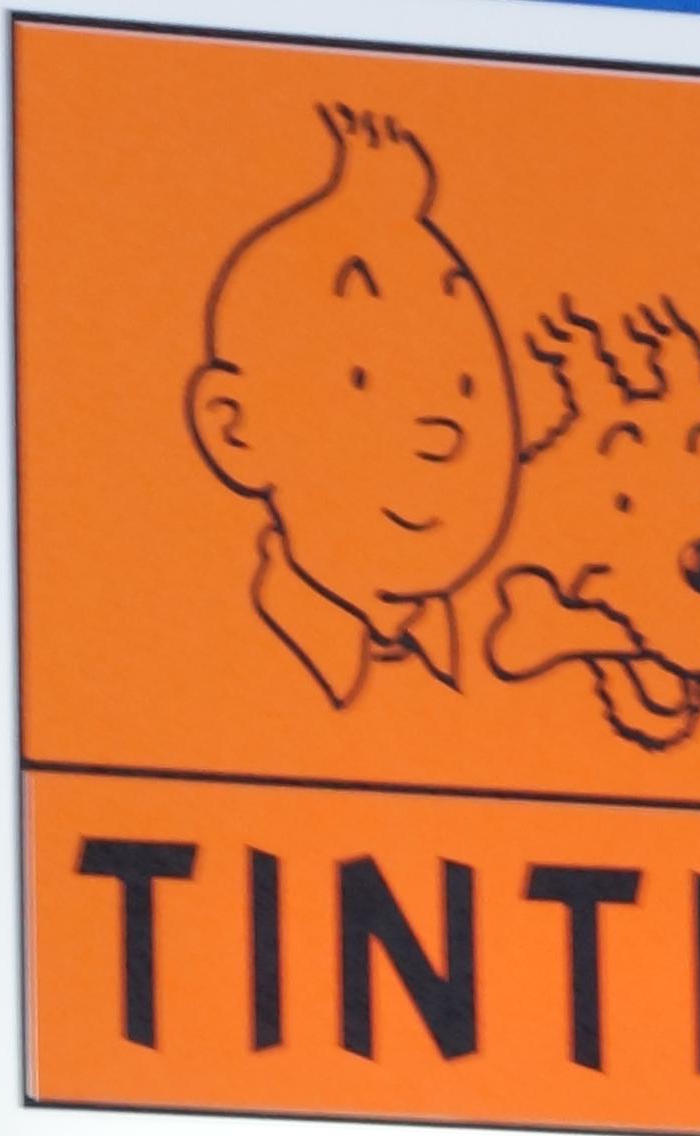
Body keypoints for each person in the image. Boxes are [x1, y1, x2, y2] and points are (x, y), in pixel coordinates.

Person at [187, 111, 520, 708]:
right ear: (234, 428)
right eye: (365, 381)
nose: (443, 434)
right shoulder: (210, 677)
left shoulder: (518, 665)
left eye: (468, 386)